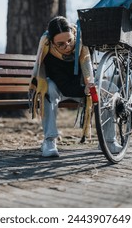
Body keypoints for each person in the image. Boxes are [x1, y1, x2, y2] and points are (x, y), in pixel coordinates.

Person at [29, 16, 121, 157]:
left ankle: (108, 141)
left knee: (109, 89)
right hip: (61, 89)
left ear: (74, 35)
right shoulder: (49, 53)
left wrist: (90, 86)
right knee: (47, 88)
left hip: (83, 86)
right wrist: (86, 90)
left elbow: (89, 71)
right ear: (52, 43)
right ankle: (49, 141)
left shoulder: (82, 43)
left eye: (70, 40)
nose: (67, 46)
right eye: (61, 44)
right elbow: (64, 86)